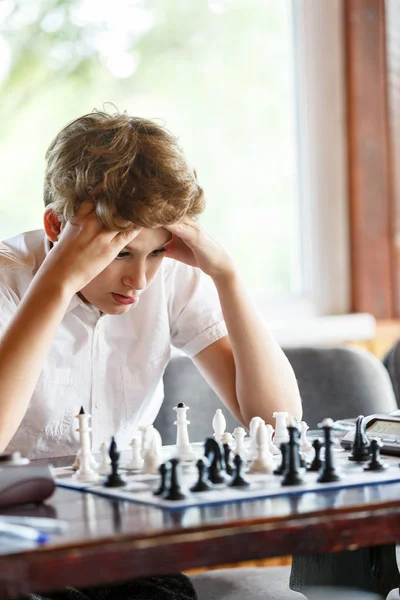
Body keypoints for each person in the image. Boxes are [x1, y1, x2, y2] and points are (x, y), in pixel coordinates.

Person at [0, 109, 302, 599]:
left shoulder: (171, 280)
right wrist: (56, 283)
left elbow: (279, 419)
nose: (139, 281)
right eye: (120, 253)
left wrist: (226, 276)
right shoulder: (6, 278)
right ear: (57, 225)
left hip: (121, 544)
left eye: (157, 252)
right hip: (19, 542)